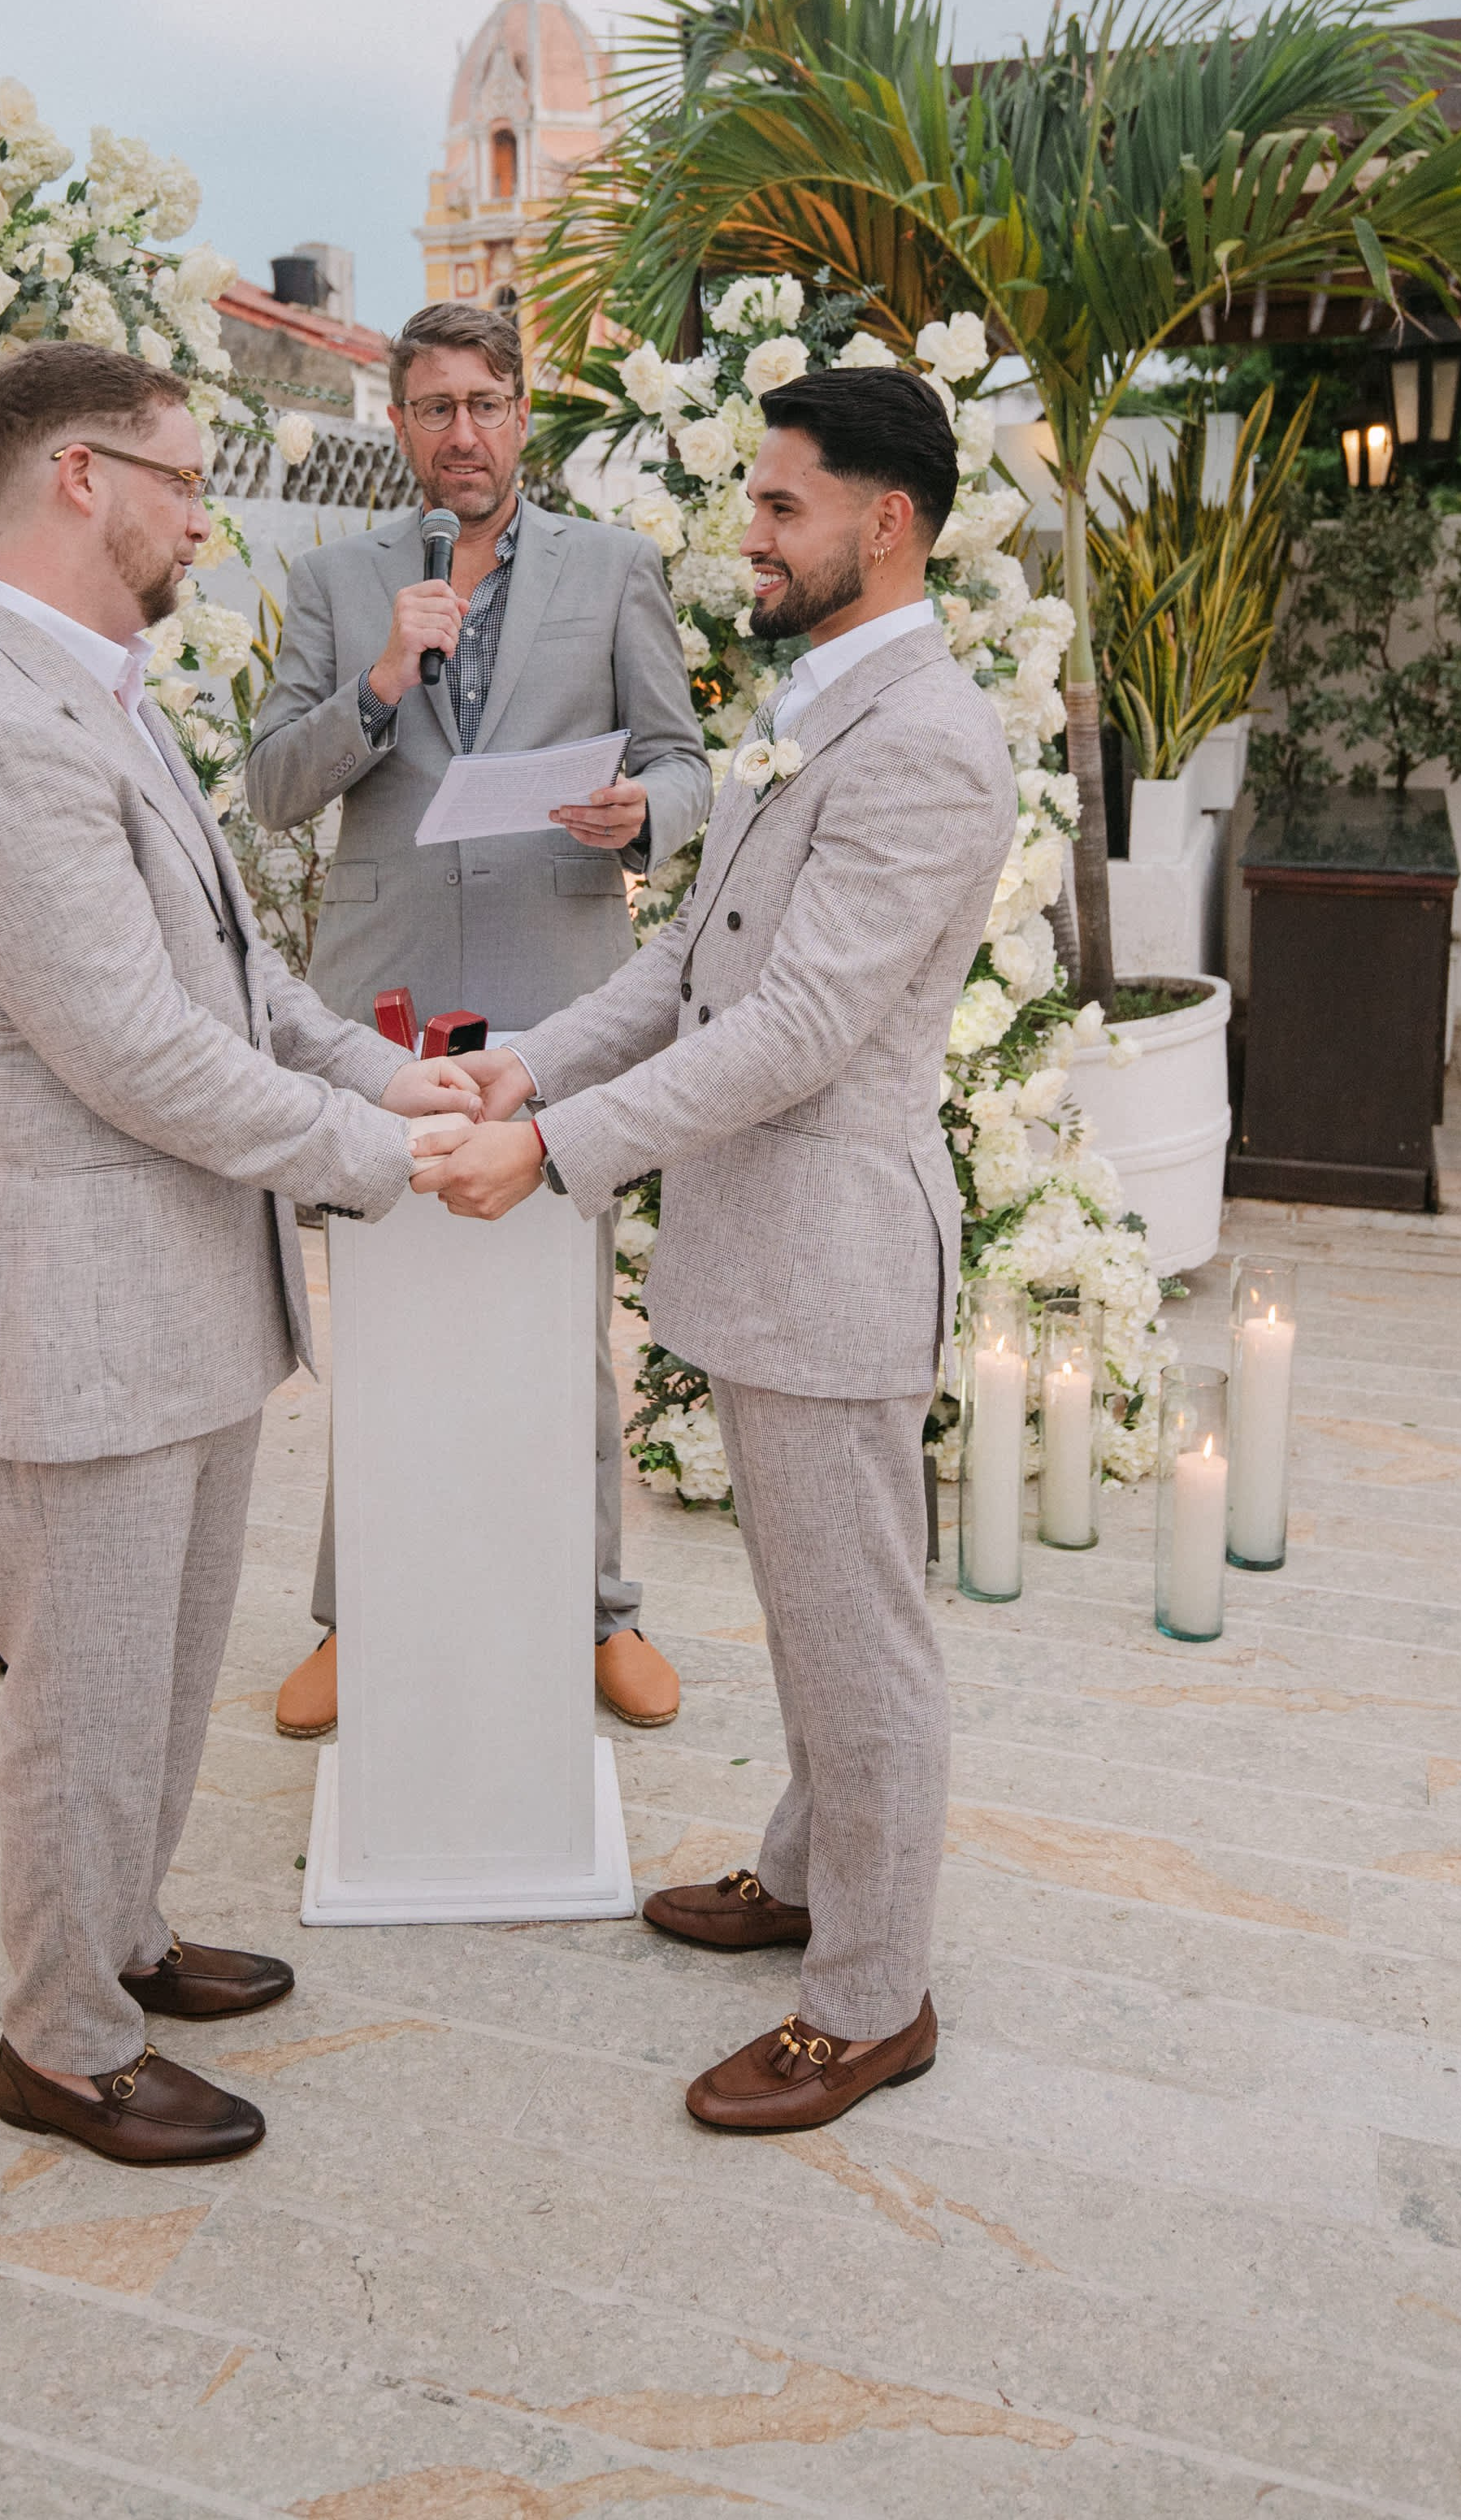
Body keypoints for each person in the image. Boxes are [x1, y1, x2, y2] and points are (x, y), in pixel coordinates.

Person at [0, 345, 479, 2171]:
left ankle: (127, 1932)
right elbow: (133, 1048)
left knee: (161, 1661)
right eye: (183, 476)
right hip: (71, 1292)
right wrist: (386, 1158)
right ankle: (60, 2042)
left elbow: (237, 975)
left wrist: (400, 1078)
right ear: (77, 475)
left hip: (179, 1282)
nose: (207, 513)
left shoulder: (104, 691)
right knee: (82, 1696)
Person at [417, 365, 1017, 2136]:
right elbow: (692, 976)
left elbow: (796, 1031)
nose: (744, 533)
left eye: (779, 506)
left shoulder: (925, 739)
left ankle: (870, 1994)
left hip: (830, 1249)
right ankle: (809, 1875)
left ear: (882, 522)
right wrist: (533, 1058)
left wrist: (549, 1155)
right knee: (815, 1612)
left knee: (860, 1639)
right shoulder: (818, 706)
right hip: (769, 1246)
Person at [245, 297, 712, 1740]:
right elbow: (270, 791)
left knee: (564, 1325)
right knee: (384, 1315)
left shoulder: (616, 568)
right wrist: (381, 684)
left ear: (524, 416)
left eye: (487, 405)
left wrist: (646, 815)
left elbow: (686, 761)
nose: (464, 433)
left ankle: (594, 1611)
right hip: (383, 1020)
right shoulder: (333, 582)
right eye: (435, 407)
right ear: (398, 423)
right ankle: (354, 1614)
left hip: (559, 992)